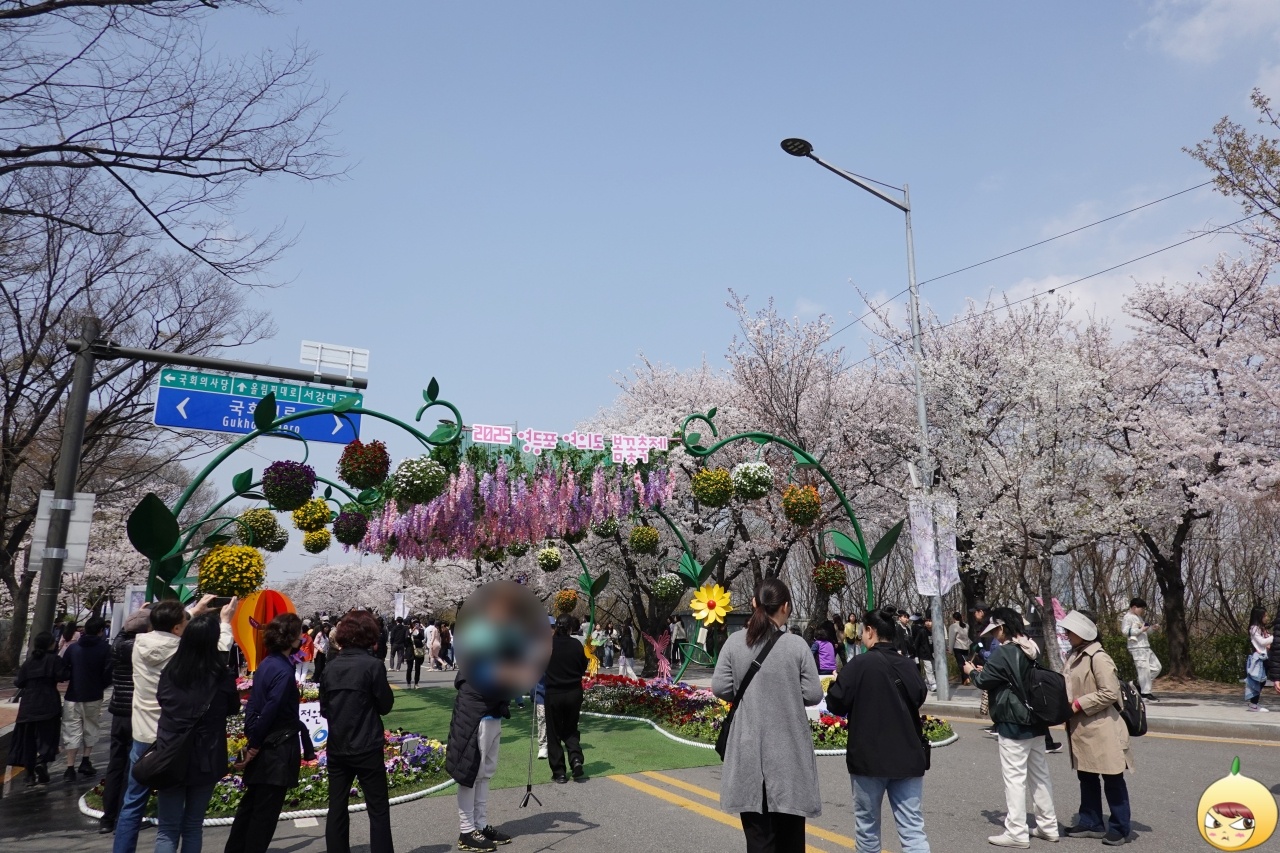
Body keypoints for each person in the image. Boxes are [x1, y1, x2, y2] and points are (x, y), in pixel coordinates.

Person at [113, 595, 236, 853]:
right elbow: (217, 652)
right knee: (190, 824)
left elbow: (158, 628)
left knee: (132, 804)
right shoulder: (182, 654)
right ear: (178, 628)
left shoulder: (137, 644)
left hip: (145, 734)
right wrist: (225, 623)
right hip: (176, 740)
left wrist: (192, 611)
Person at [712, 577, 822, 853]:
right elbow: (813, 694)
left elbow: (721, 687)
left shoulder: (735, 643)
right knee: (790, 840)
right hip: (788, 757)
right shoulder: (796, 645)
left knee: (759, 840)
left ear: (753, 603)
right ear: (785, 606)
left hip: (748, 753)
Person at [826, 607, 932, 853]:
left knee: (868, 829)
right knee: (913, 830)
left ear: (870, 631)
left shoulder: (859, 665)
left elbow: (836, 703)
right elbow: (919, 696)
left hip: (868, 759)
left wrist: (835, 682)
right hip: (907, 756)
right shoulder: (908, 665)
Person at [965, 607, 1059, 848]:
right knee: (1040, 775)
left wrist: (971, 672)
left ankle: (1016, 832)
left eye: (995, 630)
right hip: (1036, 720)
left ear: (1002, 627)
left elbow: (984, 680)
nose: (994, 635)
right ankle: (1048, 826)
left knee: (1015, 779)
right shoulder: (1030, 646)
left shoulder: (1005, 651)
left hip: (1013, 720)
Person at [151, 612, 241, 853]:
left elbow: (162, 701)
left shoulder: (171, 671)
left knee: (167, 828)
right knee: (192, 825)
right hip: (206, 756)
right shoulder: (221, 675)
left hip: (171, 753)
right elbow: (233, 708)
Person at [225, 613, 309, 853]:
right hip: (276, 747)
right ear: (290, 638)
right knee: (264, 814)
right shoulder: (283, 670)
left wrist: (251, 736)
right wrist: (254, 745)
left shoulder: (266, 664)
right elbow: (272, 708)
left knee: (250, 807)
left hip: (263, 741)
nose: (302, 638)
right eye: (299, 634)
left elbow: (253, 704)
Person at [321, 610, 395, 853]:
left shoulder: (330, 667)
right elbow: (385, 705)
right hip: (367, 744)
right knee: (378, 808)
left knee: (337, 806)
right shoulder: (373, 666)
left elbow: (324, 709)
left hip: (338, 745)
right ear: (370, 636)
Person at [1059, 610, 1135, 846]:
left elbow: (1110, 692)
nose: (1066, 634)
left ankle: (1120, 827)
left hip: (1103, 727)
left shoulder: (1098, 657)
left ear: (1082, 632)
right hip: (1083, 727)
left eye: (1070, 630)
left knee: (1112, 778)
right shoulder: (1075, 654)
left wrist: (1079, 704)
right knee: (1087, 776)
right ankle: (1090, 822)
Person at [447, 656, 515, 851]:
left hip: (492, 714)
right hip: (476, 714)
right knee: (470, 774)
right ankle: (467, 831)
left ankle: (480, 825)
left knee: (485, 774)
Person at [102, 606, 151, 833]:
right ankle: (126, 814)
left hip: (118, 713)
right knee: (133, 764)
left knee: (115, 763)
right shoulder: (141, 648)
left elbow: (120, 635)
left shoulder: (118, 647)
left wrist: (134, 617)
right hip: (137, 712)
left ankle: (107, 817)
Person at [8, 631, 67, 787]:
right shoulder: (54, 660)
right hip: (48, 703)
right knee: (47, 738)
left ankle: (29, 775)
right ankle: (42, 762)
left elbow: (19, 682)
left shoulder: (29, 662)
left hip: (28, 705)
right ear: (50, 644)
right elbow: (63, 675)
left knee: (28, 740)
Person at [62, 614, 113, 781]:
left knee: (71, 729)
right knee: (91, 727)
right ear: (101, 631)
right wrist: (100, 685)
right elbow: (109, 673)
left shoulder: (73, 648)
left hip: (73, 694)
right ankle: (85, 760)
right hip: (94, 694)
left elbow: (64, 670)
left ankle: (69, 767)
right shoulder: (106, 649)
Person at [544, 615, 589, 783]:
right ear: (570, 628)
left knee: (554, 732)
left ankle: (559, 772)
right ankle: (575, 758)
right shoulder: (576, 644)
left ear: (556, 627)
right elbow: (583, 667)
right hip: (573, 692)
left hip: (554, 692)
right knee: (571, 728)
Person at [1120, 598, 1161, 701]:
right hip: (1137, 647)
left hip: (1145, 646)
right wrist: (1141, 629)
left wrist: (1152, 628)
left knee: (1157, 667)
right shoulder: (1127, 617)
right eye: (1141, 608)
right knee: (1144, 670)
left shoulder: (1138, 618)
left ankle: (1138, 683)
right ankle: (1145, 693)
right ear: (1134, 607)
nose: (1142, 611)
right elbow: (1125, 631)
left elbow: (1144, 631)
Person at [1246, 605, 1272, 712]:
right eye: (1265, 616)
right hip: (1259, 658)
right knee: (1258, 682)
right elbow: (1262, 642)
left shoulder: (1262, 629)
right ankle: (1253, 704)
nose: (1266, 618)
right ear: (1259, 616)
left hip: (1265, 657)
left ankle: (1254, 703)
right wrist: (1275, 637)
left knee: (1262, 681)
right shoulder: (1254, 628)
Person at [912, 615, 937, 693]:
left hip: (933, 653)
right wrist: (916, 654)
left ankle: (927, 682)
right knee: (929, 669)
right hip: (925, 654)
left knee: (933, 668)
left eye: (930, 621)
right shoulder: (922, 631)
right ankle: (933, 684)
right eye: (926, 621)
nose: (928, 623)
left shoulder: (934, 631)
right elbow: (916, 643)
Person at [948, 612, 969, 685]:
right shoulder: (966, 625)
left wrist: (950, 650)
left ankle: (966, 678)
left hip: (958, 646)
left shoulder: (953, 626)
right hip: (966, 647)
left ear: (953, 618)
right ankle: (964, 680)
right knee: (965, 663)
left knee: (960, 664)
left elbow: (952, 639)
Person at [406, 620, 426, 687]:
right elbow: (406, 639)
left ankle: (416, 683)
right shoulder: (408, 630)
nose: (415, 625)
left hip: (418, 650)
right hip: (410, 650)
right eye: (414, 623)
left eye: (416, 623)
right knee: (409, 667)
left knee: (418, 667)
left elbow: (422, 638)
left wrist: (418, 631)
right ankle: (408, 682)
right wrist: (412, 631)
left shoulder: (420, 631)